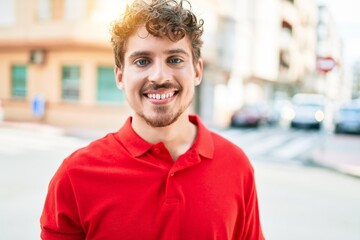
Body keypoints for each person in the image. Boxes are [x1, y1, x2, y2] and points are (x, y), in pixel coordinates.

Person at [40, 0, 265, 239]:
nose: (159, 76)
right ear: (120, 76)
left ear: (197, 71)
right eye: (142, 61)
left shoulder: (236, 166)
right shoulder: (75, 175)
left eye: (175, 59)